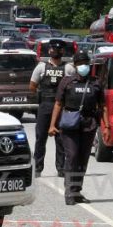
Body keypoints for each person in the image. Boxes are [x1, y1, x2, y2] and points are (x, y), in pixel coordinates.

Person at [48, 51, 104, 205]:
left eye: (85, 63)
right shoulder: (67, 82)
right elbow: (58, 104)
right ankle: (69, 192)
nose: (83, 66)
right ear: (75, 65)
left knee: (83, 158)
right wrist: (52, 125)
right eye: (80, 64)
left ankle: (77, 190)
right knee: (72, 156)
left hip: (89, 123)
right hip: (70, 123)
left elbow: (102, 106)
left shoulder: (96, 83)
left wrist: (103, 126)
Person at [29, 42, 75, 177]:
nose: (55, 51)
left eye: (58, 49)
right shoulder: (41, 67)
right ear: (49, 51)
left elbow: (72, 87)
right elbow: (32, 86)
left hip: (62, 107)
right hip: (45, 105)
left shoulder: (68, 68)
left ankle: (61, 168)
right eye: (53, 48)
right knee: (41, 138)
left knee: (61, 139)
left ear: (62, 51)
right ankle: (37, 168)